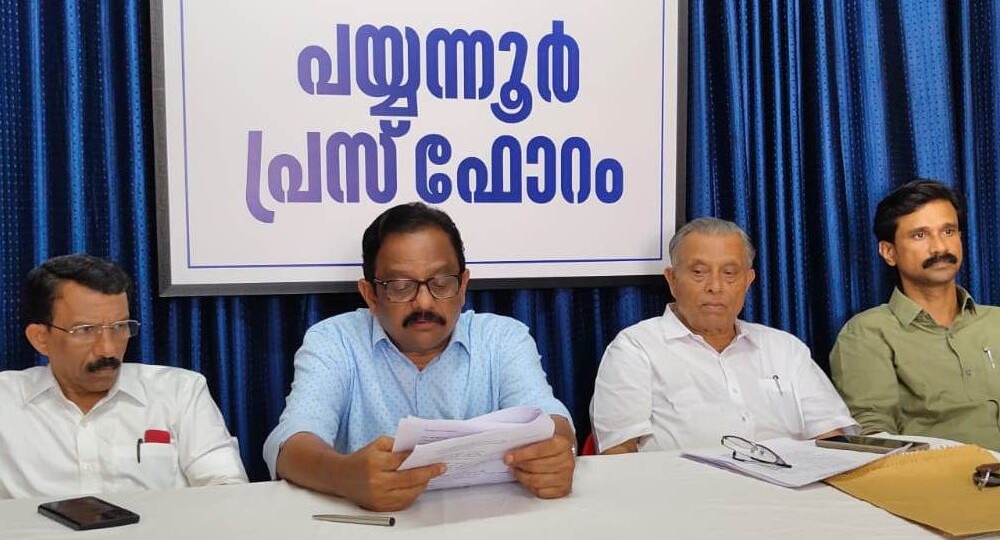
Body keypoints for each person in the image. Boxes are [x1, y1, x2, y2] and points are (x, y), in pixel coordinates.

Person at [263, 203, 575, 511]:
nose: (424, 302)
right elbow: (290, 444)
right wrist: (343, 476)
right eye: (401, 287)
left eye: (441, 283)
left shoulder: (502, 339)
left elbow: (549, 419)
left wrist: (557, 453)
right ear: (370, 294)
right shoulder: (335, 341)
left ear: (463, 286)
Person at [590, 217, 856, 453]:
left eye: (729, 273)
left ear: (748, 281)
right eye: (699, 272)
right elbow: (618, 453)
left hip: (793, 487)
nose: (715, 286)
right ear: (672, 280)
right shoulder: (636, 348)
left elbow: (832, 438)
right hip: (684, 490)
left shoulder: (785, 348)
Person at [0, 254, 247, 500]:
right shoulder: (6, 401)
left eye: (120, 327)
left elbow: (228, 490)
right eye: (86, 330)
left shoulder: (179, 392)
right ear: (40, 339)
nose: (108, 349)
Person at [831, 179, 1000, 449]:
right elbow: (875, 436)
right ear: (889, 252)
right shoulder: (867, 333)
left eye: (948, 231)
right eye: (920, 235)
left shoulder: (995, 322)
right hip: (940, 472)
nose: (940, 248)